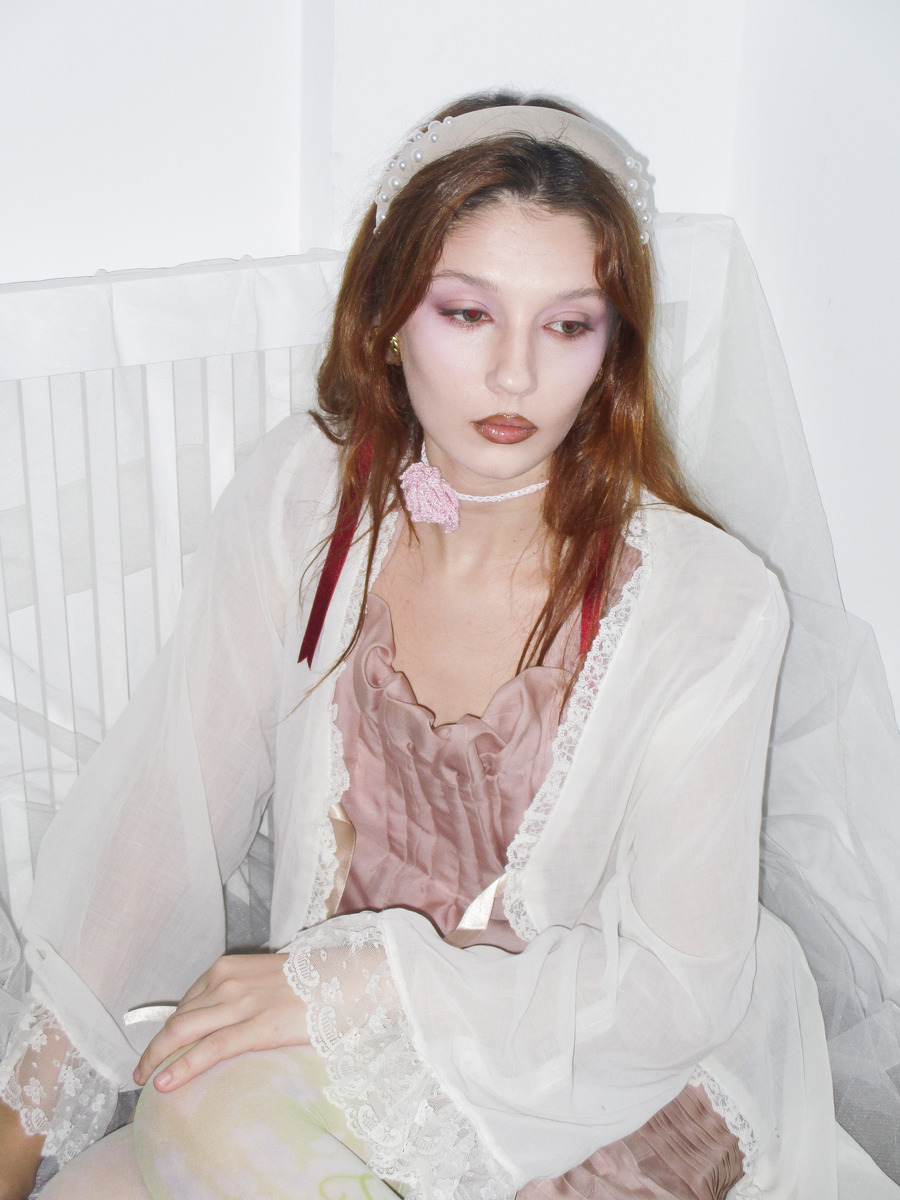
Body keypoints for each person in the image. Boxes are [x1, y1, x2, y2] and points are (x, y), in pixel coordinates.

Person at [0, 93, 847, 1199]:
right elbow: (166, 822)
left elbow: (675, 995)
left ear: (613, 348)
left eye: (567, 325)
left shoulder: (710, 604)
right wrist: (22, 1122)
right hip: (340, 1053)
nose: (514, 375)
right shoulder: (306, 497)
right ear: (389, 317)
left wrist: (360, 983)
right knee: (148, 1140)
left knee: (206, 1119)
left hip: (609, 1070)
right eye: (468, 313)